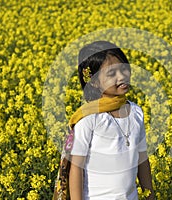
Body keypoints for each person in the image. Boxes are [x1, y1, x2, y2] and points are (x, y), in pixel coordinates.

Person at [54, 41, 154, 200]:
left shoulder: (136, 112)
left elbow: (142, 159)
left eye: (124, 68)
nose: (121, 76)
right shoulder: (88, 118)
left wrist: (150, 195)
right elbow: (76, 169)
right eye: (111, 73)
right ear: (93, 81)